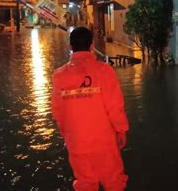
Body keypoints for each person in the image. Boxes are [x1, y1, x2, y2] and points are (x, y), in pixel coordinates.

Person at [52, 27, 129, 191]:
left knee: (85, 183)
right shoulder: (104, 71)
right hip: (105, 140)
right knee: (114, 181)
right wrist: (121, 130)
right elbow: (115, 106)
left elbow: (58, 112)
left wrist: (68, 135)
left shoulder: (59, 76)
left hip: (77, 142)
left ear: (70, 47)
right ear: (92, 45)